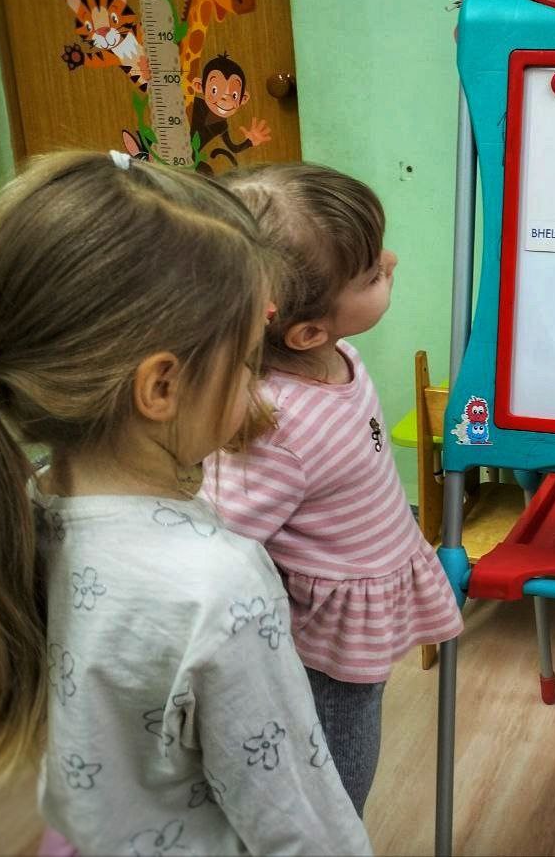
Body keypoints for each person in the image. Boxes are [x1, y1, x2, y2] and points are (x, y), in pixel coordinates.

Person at [0, 151, 371, 855]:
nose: (256, 387)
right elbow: (297, 821)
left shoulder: (24, 508)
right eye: (247, 363)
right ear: (161, 388)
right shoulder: (221, 585)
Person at [206, 163, 464, 816]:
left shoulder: (337, 357)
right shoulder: (278, 426)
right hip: (324, 640)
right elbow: (220, 540)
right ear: (306, 332)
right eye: (373, 274)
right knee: (336, 769)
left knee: (354, 729)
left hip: (365, 590)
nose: (393, 263)